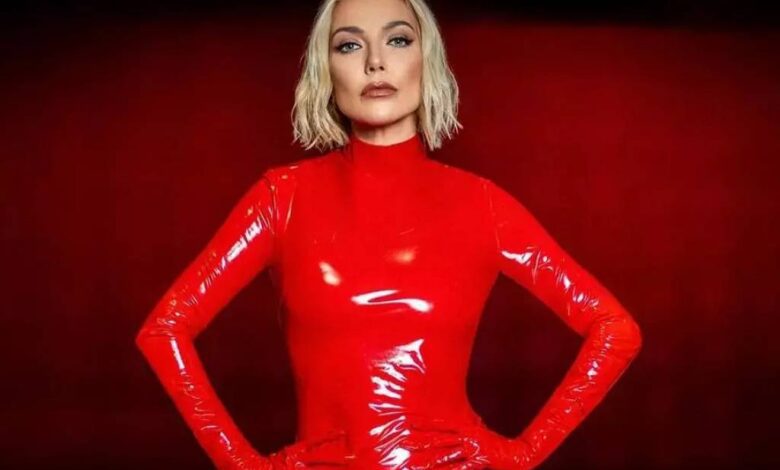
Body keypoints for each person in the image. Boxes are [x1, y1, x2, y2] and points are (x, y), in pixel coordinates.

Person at [134, 0, 644, 468]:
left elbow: (614, 328)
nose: (375, 62)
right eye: (349, 45)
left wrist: (523, 454)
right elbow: (164, 329)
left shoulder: (481, 205)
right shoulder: (282, 199)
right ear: (325, 69)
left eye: (398, 40)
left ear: (427, 59)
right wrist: (242, 464)